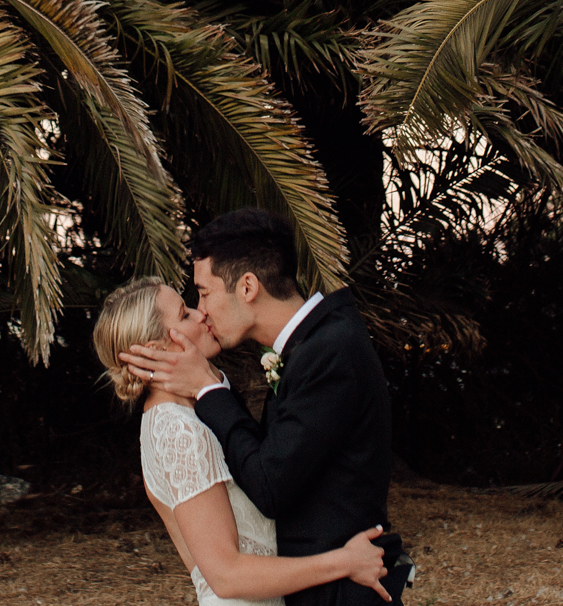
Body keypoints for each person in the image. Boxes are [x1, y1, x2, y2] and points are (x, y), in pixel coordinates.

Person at [125, 209, 408, 606]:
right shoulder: (313, 347)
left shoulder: (329, 352)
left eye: (204, 294)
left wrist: (209, 387)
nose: (202, 310)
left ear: (247, 287)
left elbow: (270, 485)